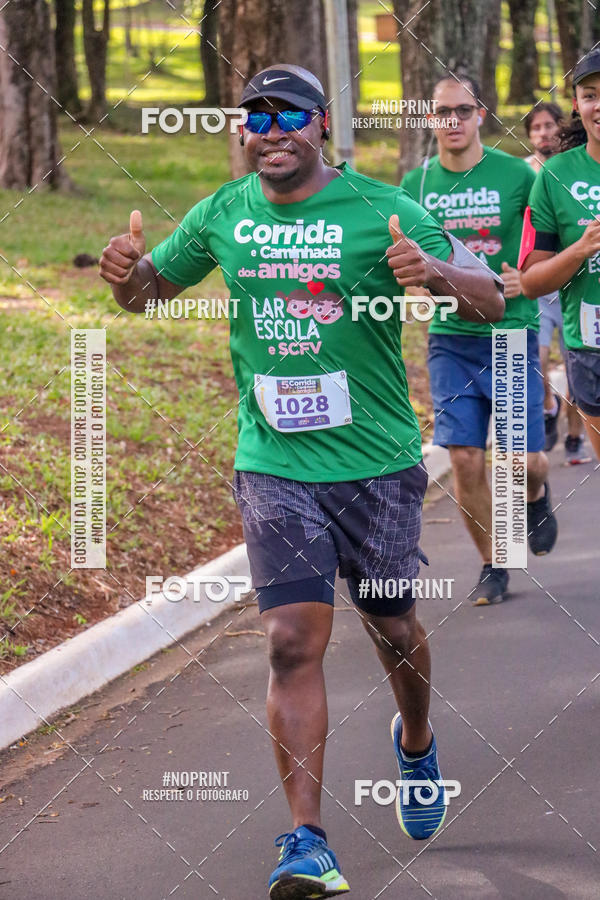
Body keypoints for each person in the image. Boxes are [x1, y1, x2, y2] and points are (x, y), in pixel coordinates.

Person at [99, 65, 503, 900]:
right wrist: (126, 273)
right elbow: (150, 294)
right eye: (256, 115)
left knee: (392, 625)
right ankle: (307, 842)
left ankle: (418, 741)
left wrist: (431, 271)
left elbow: (492, 300)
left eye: (289, 114)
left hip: (378, 463)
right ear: (243, 130)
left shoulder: (383, 208)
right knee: (289, 641)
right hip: (273, 463)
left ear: (322, 126)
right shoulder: (223, 213)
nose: (270, 127)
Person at [401, 74, 558, 608]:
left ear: (480, 115)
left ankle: (536, 493)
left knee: (523, 465)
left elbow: (547, 231)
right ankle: (495, 562)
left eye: (463, 111)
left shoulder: (516, 174)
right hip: (451, 337)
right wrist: (414, 288)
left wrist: (528, 273)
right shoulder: (416, 184)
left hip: (512, 333)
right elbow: (405, 253)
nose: (453, 121)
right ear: (431, 119)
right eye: (443, 112)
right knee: (466, 458)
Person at [520, 48, 600, 463]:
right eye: (590, 94)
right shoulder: (554, 176)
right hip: (590, 347)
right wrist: (582, 248)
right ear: (577, 105)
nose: (598, 104)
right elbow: (532, 281)